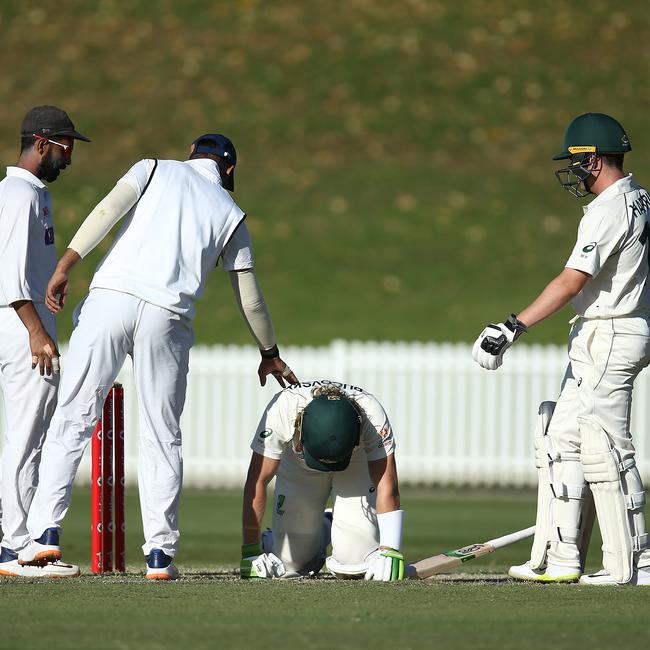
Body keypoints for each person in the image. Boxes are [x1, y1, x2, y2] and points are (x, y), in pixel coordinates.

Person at [17, 133, 297, 580]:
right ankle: (159, 557)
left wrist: (65, 265)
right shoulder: (231, 213)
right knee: (161, 434)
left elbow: (106, 212)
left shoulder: (152, 168)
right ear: (228, 171)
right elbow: (251, 298)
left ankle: (44, 537)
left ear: (191, 154)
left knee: (73, 417)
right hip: (168, 315)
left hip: (111, 300)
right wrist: (270, 353)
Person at [472, 113, 650, 585]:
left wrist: (512, 327)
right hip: (610, 330)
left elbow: (573, 280)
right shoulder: (640, 199)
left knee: (608, 449)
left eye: (576, 163)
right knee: (562, 440)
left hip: (610, 332)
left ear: (594, 159)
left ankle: (633, 562)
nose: (573, 173)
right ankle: (564, 555)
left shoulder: (610, 209)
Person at [0, 106, 90, 578]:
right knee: (26, 434)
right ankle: (14, 547)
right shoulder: (18, 193)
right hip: (21, 329)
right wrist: (36, 331)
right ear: (40, 143)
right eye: (64, 146)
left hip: (26, 322)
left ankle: (20, 542)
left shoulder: (29, 192)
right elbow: (9, 274)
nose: (69, 157)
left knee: (31, 432)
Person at [240, 380, 404, 581]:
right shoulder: (283, 408)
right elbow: (257, 481)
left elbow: (387, 485)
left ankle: (343, 525)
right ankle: (326, 524)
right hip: (298, 463)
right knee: (290, 564)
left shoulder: (372, 415)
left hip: (354, 461)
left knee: (354, 565)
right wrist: (251, 552)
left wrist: (390, 549)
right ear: (299, 424)